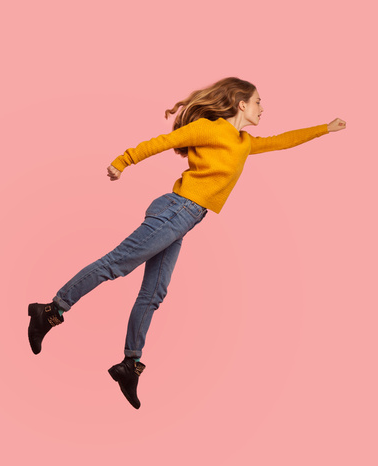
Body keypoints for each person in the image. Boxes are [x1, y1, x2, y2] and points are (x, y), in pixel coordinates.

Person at [28, 77, 346, 409]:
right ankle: (50, 310)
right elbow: (165, 140)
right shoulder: (211, 129)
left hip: (186, 217)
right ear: (241, 104)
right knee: (116, 264)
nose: (262, 108)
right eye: (258, 102)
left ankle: (129, 364)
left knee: (154, 294)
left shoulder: (243, 142)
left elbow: (281, 141)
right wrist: (123, 162)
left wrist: (325, 128)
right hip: (176, 210)